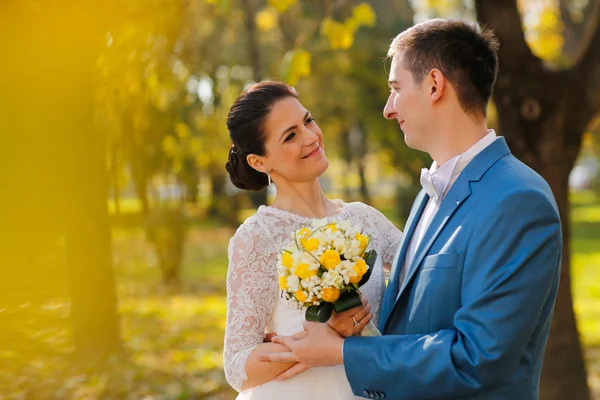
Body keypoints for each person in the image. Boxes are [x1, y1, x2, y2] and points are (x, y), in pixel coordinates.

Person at [261, 18, 562, 400]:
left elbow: (478, 359)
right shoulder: (429, 194)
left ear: (435, 85)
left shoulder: (518, 200)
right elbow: (411, 320)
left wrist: (341, 353)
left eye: (396, 88)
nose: (388, 108)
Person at [222, 81, 403, 399]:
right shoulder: (256, 238)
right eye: (290, 136)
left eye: (307, 120)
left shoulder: (365, 218)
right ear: (260, 162)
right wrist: (323, 341)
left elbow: (426, 280)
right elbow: (237, 367)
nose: (310, 137)